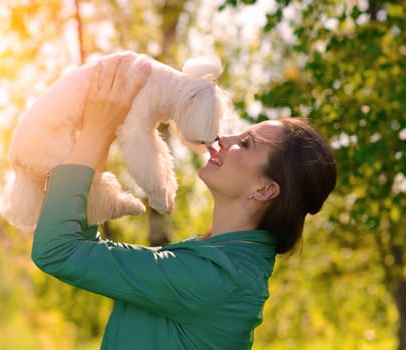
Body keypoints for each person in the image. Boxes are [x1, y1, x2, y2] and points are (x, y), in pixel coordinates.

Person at [31, 53, 337, 349]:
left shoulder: (214, 279)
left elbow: (58, 249)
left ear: (265, 190)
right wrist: (103, 127)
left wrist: (96, 130)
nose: (223, 140)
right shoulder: (216, 262)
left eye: (244, 143)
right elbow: (81, 246)